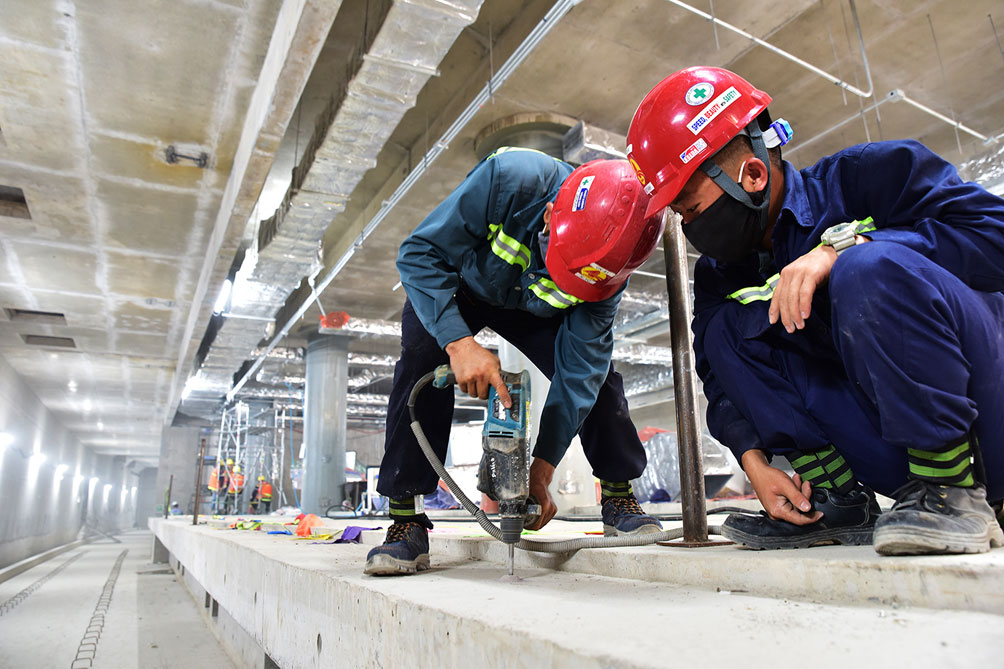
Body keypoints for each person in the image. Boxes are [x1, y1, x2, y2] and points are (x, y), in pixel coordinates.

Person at [626, 66, 1004, 555]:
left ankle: (950, 490)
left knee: (867, 268)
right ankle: (835, 501)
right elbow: (717, 376)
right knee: (723, 333)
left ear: (754, 174)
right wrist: (752, 459)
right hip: (891, 449)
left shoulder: (868, 177)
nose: (690, 227)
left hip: (984, 414)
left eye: (692, 209)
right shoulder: (722, 272)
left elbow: (995, 238)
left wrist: (843, 248)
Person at [365, 150, 666, 575]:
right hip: (460, 284)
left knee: (599, 381)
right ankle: (405, 521)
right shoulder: (509, 178)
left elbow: (580, 373)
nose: (571, 284)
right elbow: (417, 254)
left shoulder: (608, 268)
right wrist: (458, 342)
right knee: (419, 358)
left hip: (531, 307)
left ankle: (618, 496)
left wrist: (541, 470)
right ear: (548, 216)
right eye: (566, 268)